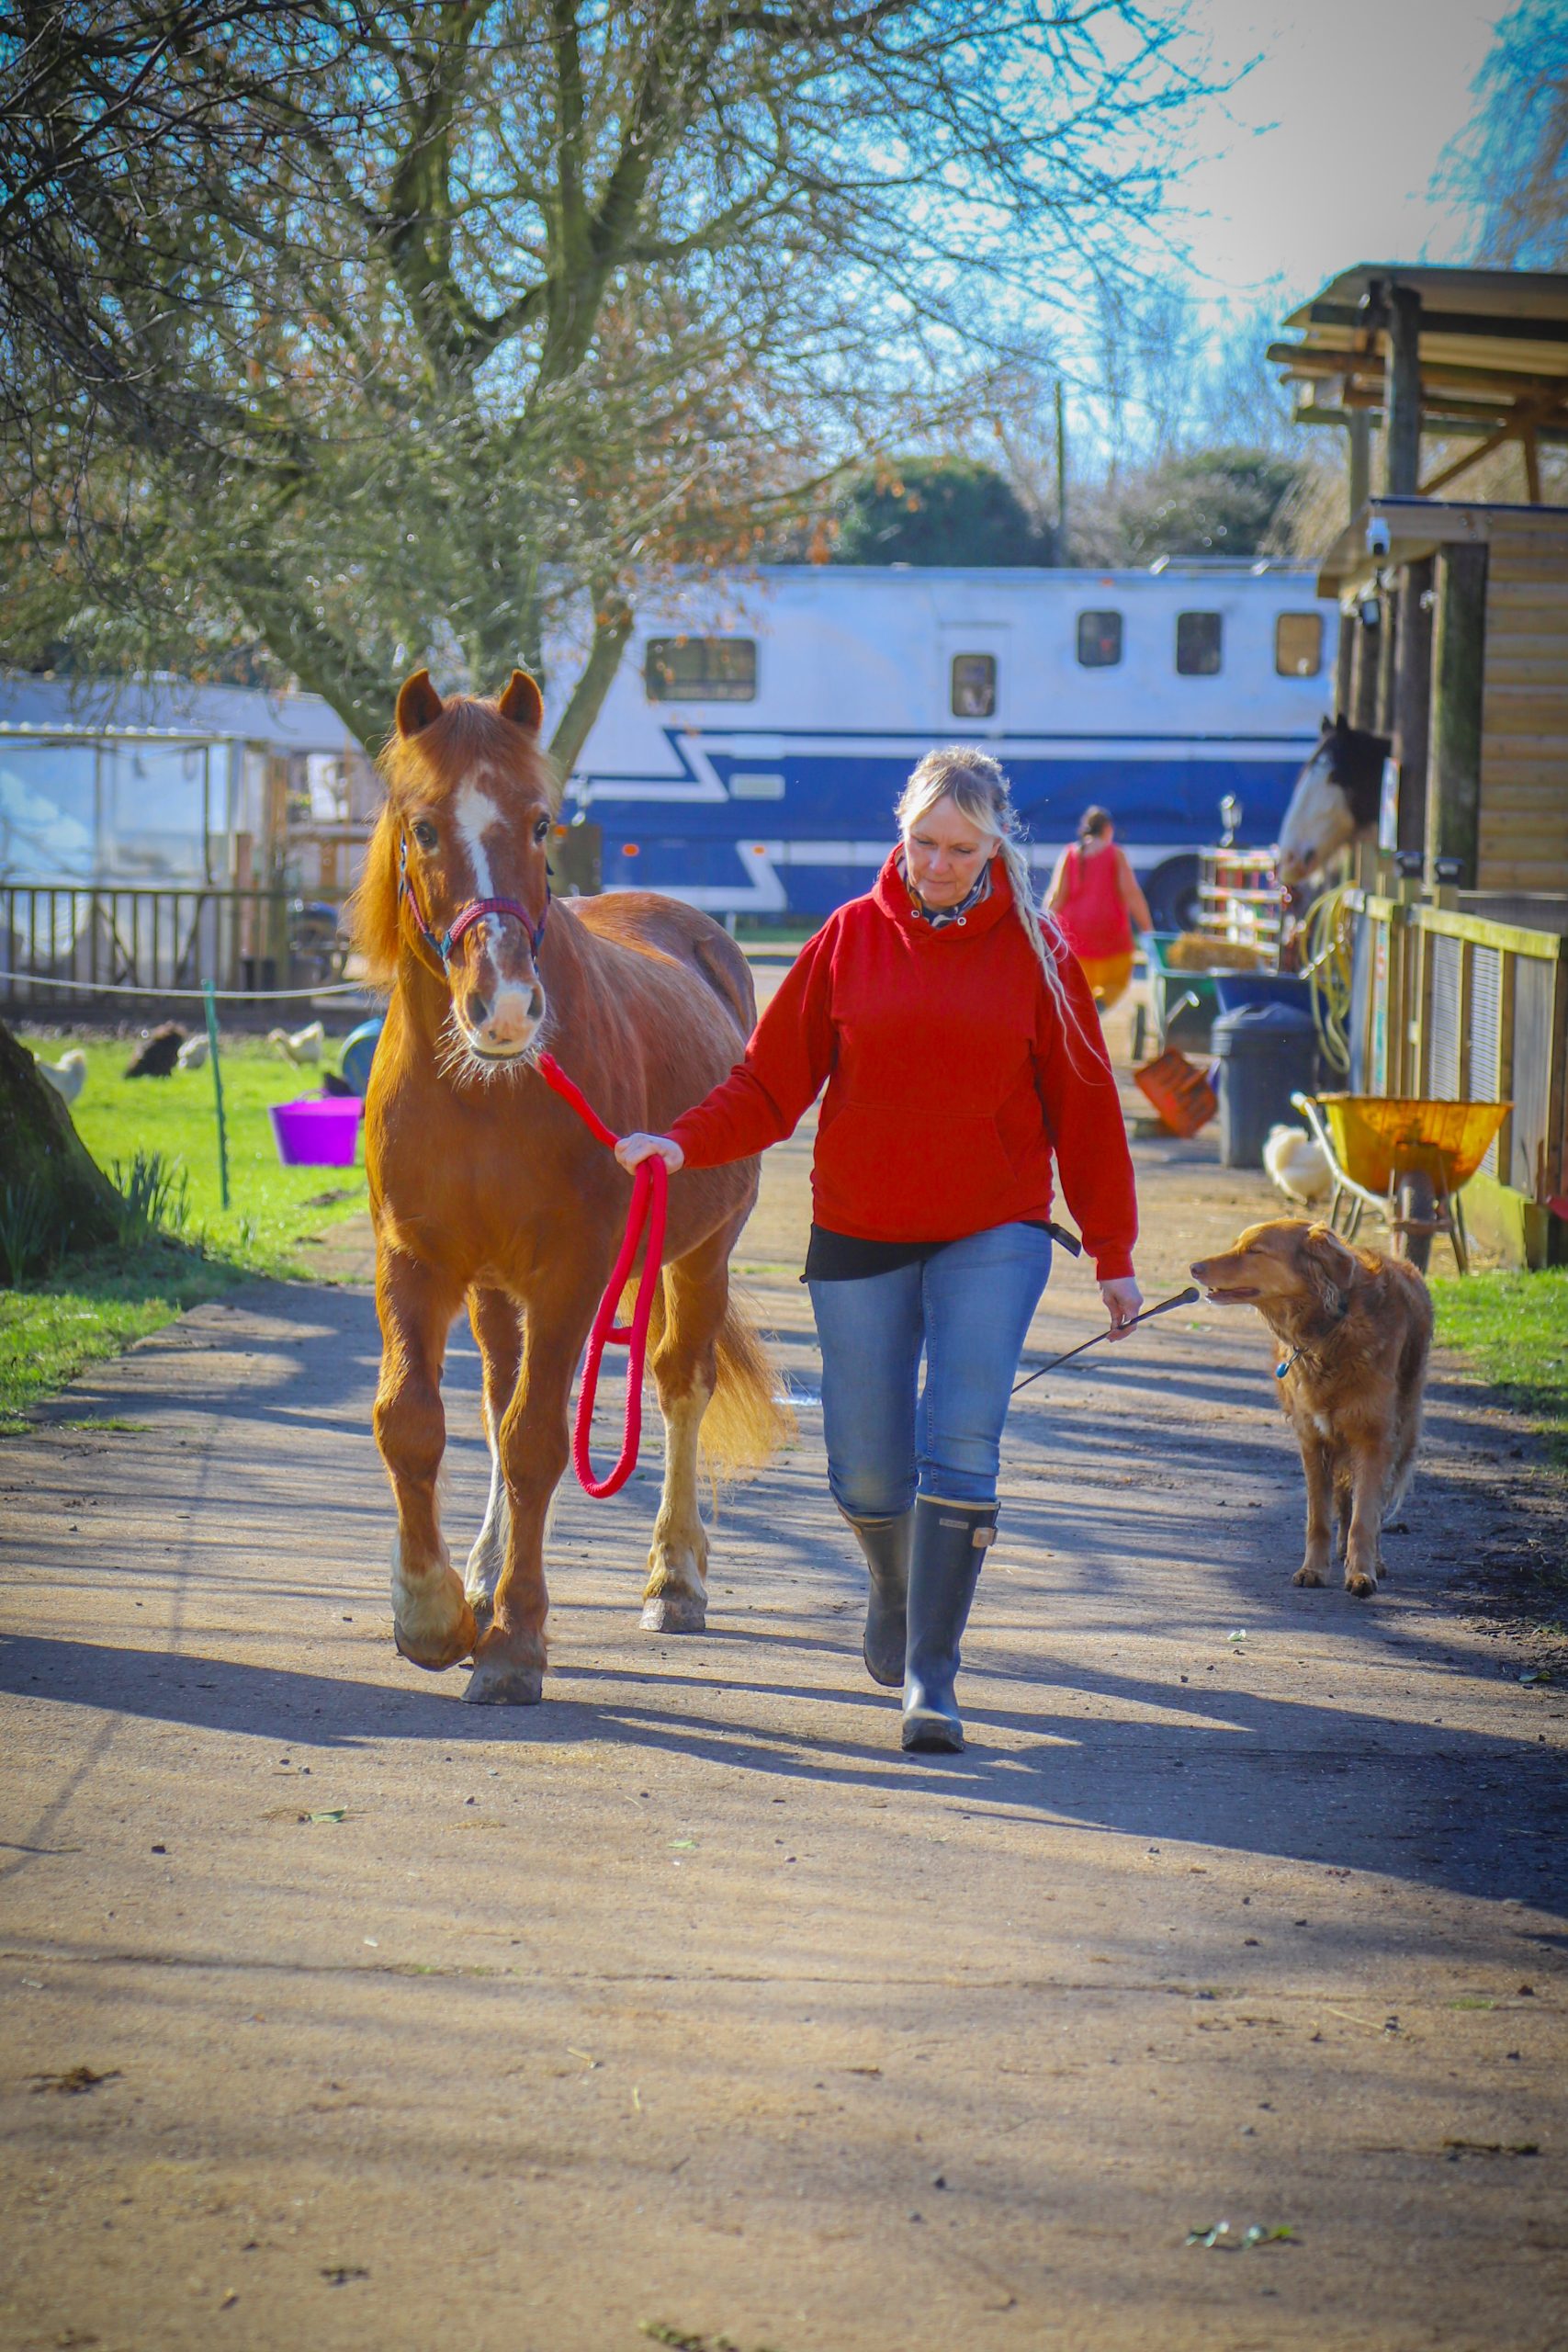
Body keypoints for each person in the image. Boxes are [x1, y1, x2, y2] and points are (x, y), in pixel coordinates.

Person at [615, 749, 1142, 1755]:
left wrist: (1113, 1254)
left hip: (996, 1229)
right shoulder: (846, 941)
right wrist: (679, 1140)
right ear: (899, 833)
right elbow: (769, 1088)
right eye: (924, 843)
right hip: (859, 1228)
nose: (939, 866)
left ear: (995, 848)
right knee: (865, 1469)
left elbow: (1087, 1112)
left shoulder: (1040, 952)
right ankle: (895, 1586)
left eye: (961, 848)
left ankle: (931, 1674)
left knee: (962, 1442)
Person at [1046, 806, 1152, 1011]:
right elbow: (1131, 894)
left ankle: (1082, 1016)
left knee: (1077, 990)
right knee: (1116, 983)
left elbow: (1057, 896)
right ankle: (1100, 1005)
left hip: (1074, 937)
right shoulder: (1115, 854)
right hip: (1111, 938)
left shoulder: (1070, 854)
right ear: (1107, 829)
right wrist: (1148, 929)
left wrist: (1042, 927)